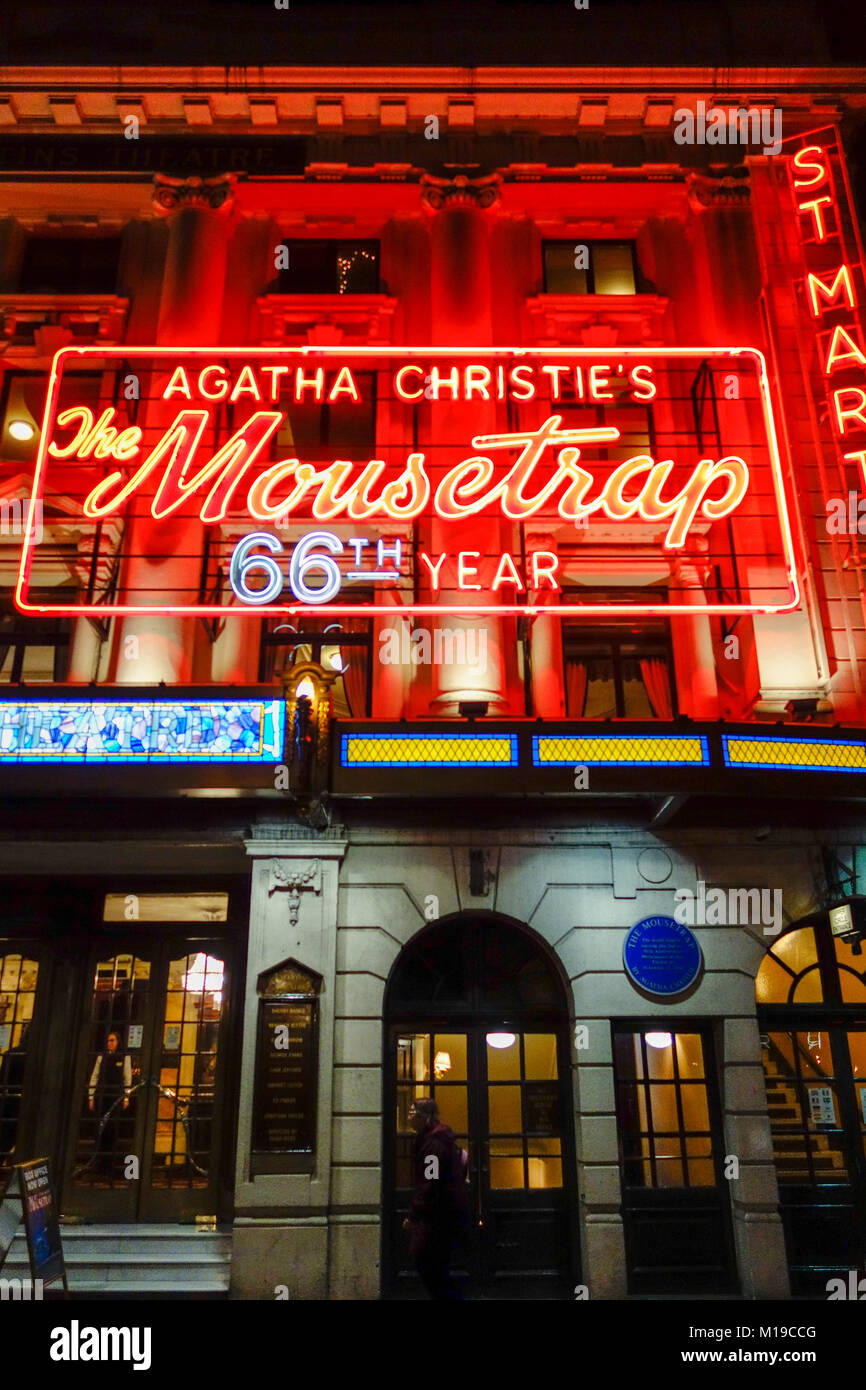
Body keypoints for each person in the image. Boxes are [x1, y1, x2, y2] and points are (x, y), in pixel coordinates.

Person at [403, 1096, 469, 1300]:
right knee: (437, 1267)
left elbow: (429, 1182)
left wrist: (414, 1215)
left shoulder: (433, 1146)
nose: (408, 1117)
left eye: (412, 1113)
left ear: (424, 1117)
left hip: (438, 1217)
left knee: (428, 1264)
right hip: (444, 1214)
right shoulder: (437, 1140)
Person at [88, 1030, 132, 1175]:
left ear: (118, 1042)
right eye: (108, 1041)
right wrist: (91, 1096)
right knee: (100, 1129)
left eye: (112, 1040)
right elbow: (95, 1076)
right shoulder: (101, 1057)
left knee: (112, 1130)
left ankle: (109, 1165)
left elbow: (127, 1079)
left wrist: (126, 1097)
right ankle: (98, 1163)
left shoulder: (125, 1057)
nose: (110, 1043)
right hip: (102, 1096)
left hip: (115, 1097)